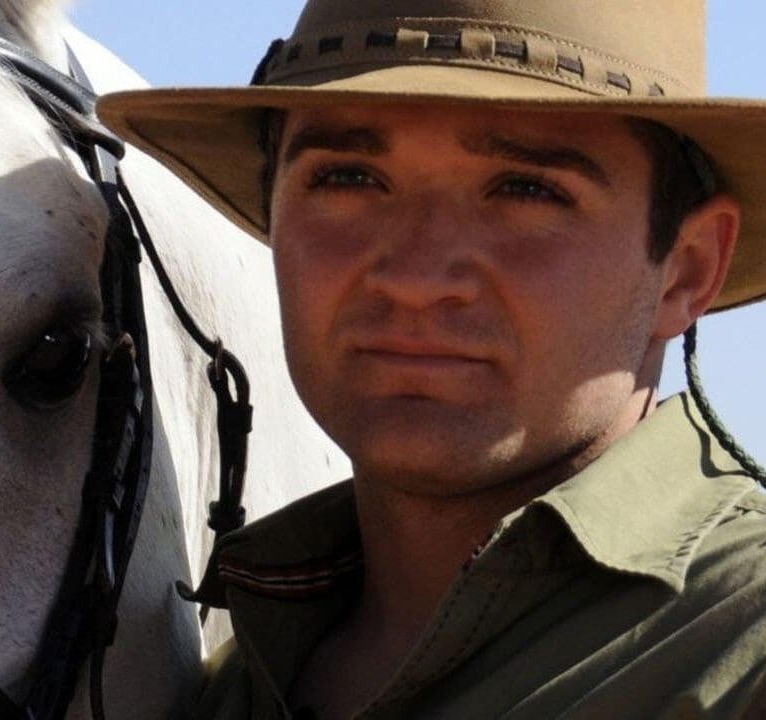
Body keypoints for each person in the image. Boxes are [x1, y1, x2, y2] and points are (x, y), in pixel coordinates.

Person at [98, 1, 766, 717]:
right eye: (348, 178)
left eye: (526, 189)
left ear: (687, 270)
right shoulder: (224, 681)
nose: (415, 277)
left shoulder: (740, 652)